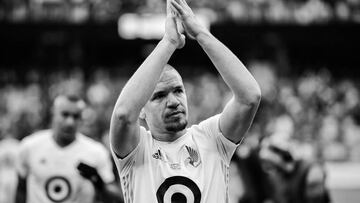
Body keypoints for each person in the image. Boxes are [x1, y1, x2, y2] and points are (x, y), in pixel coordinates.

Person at [109, 0, 261, 202]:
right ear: (141, 111)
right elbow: (123, 115)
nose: (173, 102)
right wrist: (168, 43)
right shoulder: (136, 149)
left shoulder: (211, 138)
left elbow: (250, 97)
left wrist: (200, 34)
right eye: (159, 96)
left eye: (178, 91)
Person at [15, 94, 123, 203]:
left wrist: (99, 183)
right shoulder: (30, 146)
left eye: (76, 116)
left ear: (81, 118)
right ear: (53, 113)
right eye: (65, 114)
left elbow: (117, 199)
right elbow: (20, 189)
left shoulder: (96, 152)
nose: (70, 122)